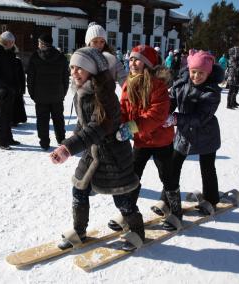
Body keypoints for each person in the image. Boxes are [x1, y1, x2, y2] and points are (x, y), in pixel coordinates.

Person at [49, 47, 144, 252]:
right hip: (92, 153)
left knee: (121, 197)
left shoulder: (104, 95)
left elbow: (96, 128)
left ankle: (137, 232)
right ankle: (79, 231)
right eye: (72, 67)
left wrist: (68, 149)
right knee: (79, 188)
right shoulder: (82, 91)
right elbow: (82, 127)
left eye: (80, 68)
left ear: (92, 70)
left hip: (112, 155)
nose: (74, 71)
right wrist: (67, 143)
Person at [113, 45, 181, 231]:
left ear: (148, 65)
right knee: (132, 176)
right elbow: (124, 109)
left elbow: (157, 114)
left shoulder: (158, 85)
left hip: (161, 141)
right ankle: (128, 212)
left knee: (167, 176)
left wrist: (132, 127)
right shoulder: (129, 83)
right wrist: (119, 123)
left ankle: (176, 212)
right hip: (141, 140)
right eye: (131, 59)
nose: (133, 63)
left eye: (138, 60)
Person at [163, 50, 223, 214]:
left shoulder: (211, 92)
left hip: (206, 135)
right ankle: (167, 200)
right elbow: (172, 101)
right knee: (173, 166)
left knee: (207, 167)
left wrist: (175, 119)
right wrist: (164, 113)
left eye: (201, 73)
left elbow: (200, 117)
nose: (196, 76)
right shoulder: (181, 84)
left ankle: (211, 200)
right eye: (193, 72)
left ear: (208, 73)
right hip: (184, 134)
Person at [26, 33, 69, 150]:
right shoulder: (61, 56)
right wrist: (63, 92)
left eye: (39, 42)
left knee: (42, 120)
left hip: (40, 96)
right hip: (57, 95)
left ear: (42, 43)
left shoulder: (35, 57)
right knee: (58, 119)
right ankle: (61, 140)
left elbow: (30, 78)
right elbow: (66, 78)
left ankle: (44, 142)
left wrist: (32, 93)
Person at [0, 31, 21, 150]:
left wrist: (16, 87)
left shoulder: (9, 53)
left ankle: (8, 138)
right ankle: (1, 141)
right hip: (2, 91)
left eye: (13, 42)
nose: (12, 44)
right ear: (4, 42)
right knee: (2, 117)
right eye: (10, 42)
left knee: (8, 116)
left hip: (11, 90)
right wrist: (4, 87)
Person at [85, 22, 128, 86]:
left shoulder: (112, 60)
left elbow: (123, 79)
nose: (99, 45)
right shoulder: (83, 59)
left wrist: (130, 91)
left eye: (102, 41)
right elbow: (76, 86)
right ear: (88, 43)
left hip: (107, 95)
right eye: (95, 42)